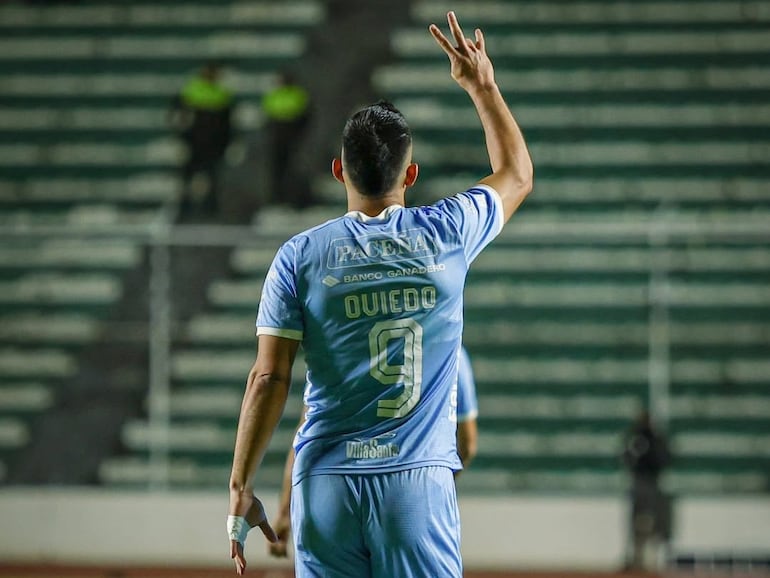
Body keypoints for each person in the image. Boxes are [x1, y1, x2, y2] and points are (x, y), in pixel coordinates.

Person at [226, 11, 533, 577]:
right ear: (409, 175)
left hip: (324, 483)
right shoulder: (446, 233)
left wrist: (241, 485)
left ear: (340, 170)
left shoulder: (298, 256)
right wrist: (481, 85)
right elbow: (515, 173)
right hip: (414, 484)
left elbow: (268, 378)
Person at [267, 346, 479, 559]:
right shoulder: (449, 349)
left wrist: (285, 510)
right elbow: (467, 445)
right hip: (411, 490)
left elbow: (307, 435)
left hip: (338, 489)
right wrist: (435, 486)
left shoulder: (340, 345)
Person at [169, 61, 234, 220]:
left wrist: (228, 142)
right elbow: (178, 115)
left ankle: (211, 210)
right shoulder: (192, 90)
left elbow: (227, 122)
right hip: (194, 144)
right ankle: (185, 209)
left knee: (213, 180)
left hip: (213, 145)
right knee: (188, 178)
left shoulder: (222, 93)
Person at [622, 409, 672, 572]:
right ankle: (640, 558)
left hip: (647, 482)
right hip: (644, 482)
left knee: (646, 521)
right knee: (641, 522)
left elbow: (664, 458)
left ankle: (647, 559)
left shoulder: (644, 439)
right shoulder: (641, 438)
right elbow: (627, 457)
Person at [261, 71, 312, 209]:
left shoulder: (297, 95)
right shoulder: (276, 96)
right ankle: (278, 198)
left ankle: (294, 199)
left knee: (291, 169)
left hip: (292, 140)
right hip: (280, 140)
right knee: (278, 170)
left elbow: (304, 118)